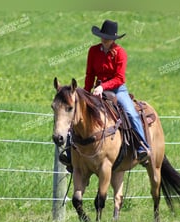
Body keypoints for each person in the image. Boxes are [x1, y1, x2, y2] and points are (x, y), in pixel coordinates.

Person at [59, 19, 150, 170]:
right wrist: (85, 95)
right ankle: (70, 152)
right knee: (78, 113)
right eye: (102, 36)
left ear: (113, 39)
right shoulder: (93, 51)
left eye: (107, 37)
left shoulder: (120, 53)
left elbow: (120, 78)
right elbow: (90, 74)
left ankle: (142, 147)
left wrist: (103, 87)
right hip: (97, 90)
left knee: (131, 113)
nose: (104, 39)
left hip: (118, 89)